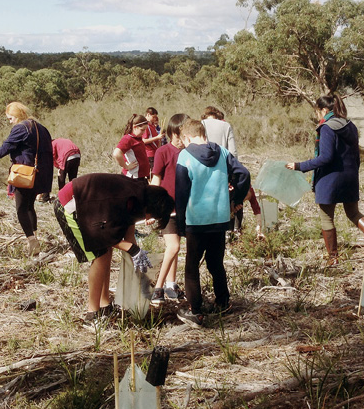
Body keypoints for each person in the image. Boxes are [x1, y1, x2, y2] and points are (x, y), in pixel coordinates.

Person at [53, 173, 174, 327]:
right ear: (150, 209)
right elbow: (103, 234)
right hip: (71, 204)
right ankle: (92, 314)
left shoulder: (138, 197)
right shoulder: (125, 199)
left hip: (91, 205)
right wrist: (132, 249)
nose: (149, 218)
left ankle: (105, 305)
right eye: (153, 216)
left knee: (106, 252)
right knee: (101, 255)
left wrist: (142, 276)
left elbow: (128, 237)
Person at [175, 118, 250, 327]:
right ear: (204, 134)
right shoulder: (223, 152)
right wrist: (235, 199)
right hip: (219, 218)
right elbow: (243, 173)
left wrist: (181, 224)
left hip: (196, 220)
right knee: (216, 263)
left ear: (187, 137)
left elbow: (181, 194)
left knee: (191, 267)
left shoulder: (184, 155)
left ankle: (195, 310)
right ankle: (223, 302)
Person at [287, 94, 364, 265]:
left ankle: (333, 258)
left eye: (317, 112)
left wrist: (299, 166)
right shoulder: (351, 126)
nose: (317, 116)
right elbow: (357, 156)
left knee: (327, 217)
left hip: (330, 179)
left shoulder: (327, 128)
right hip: (350, 177)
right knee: (354, 213)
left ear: (324, 110)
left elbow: (326, 157)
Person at [0, 102, 53, 256]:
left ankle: (32, 241)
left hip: (24, 174)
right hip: (39, 173)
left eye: (10, 118)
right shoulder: (40, 127)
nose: (10, 121)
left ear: (18, 115)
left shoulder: (21, 128)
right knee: (30, 206)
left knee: (21, 208)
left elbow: (6, 147)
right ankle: (35, 236)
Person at [149, 113, 189, 304]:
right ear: (172, 133)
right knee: (173, 246)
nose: (181, 140)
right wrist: (150, 208)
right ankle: (158, 288)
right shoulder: (163, 152)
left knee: (176, 248)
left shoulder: (190, 153)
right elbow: (155, 181)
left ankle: (171, 285)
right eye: (178, 135)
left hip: (186, 208)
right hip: (167, 209)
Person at [112, 114, 151, 180]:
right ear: (135, 127)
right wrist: (126, 166)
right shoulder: (128, 139)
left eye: (145, 130)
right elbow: (116, 153)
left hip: (141, 177)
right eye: (142, 130)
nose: (144, 132)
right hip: (132, 177)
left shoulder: (138, 138)